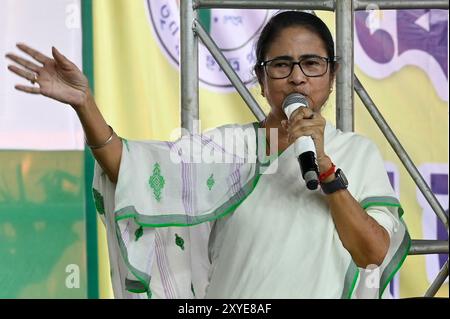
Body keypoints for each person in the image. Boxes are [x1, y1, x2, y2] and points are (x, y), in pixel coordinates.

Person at [6, 11, 410, 299]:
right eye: (282, 64)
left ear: (333, 74)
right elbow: (129, 169)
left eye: (311, 63)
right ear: (261, 79)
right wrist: (84, 104)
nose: (298, 76)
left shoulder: (355, 153)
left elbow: (372, 252)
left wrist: (325, 170)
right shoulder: (227, 149)